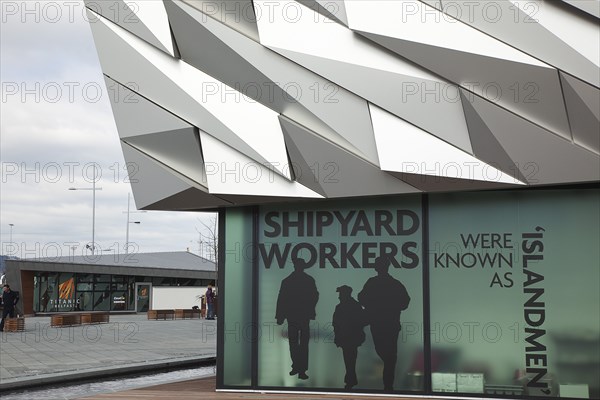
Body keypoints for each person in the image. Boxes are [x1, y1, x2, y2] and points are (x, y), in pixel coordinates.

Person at [358, 256, 410, 392]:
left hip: (382, 324)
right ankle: (388, 385)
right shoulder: (394, 284)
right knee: (388, 355)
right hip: (389, 324)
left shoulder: (374, 283)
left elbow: (362, 298)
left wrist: (377, 306)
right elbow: (405, 302)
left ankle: (388, 385)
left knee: (387, 355)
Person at [275, 256, 319, 380]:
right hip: (297, 316)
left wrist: (280, 316)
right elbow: (282, 298)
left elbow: (314, 296)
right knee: (297, 343)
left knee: (297, 343)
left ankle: (299, 369)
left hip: (298, 316)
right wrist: (280, 315)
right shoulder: (298, 280)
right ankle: (299, 368)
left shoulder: (291, 280)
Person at [332, 285, 367, 389]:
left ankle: (350, 380)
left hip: (349, 338)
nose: (339, 296)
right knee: (350, 359)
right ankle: (351, 380)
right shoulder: (354, 306)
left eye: (340, 294)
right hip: (349, 338)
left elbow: (336, 323)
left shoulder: (345, 306)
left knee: (349, 359)